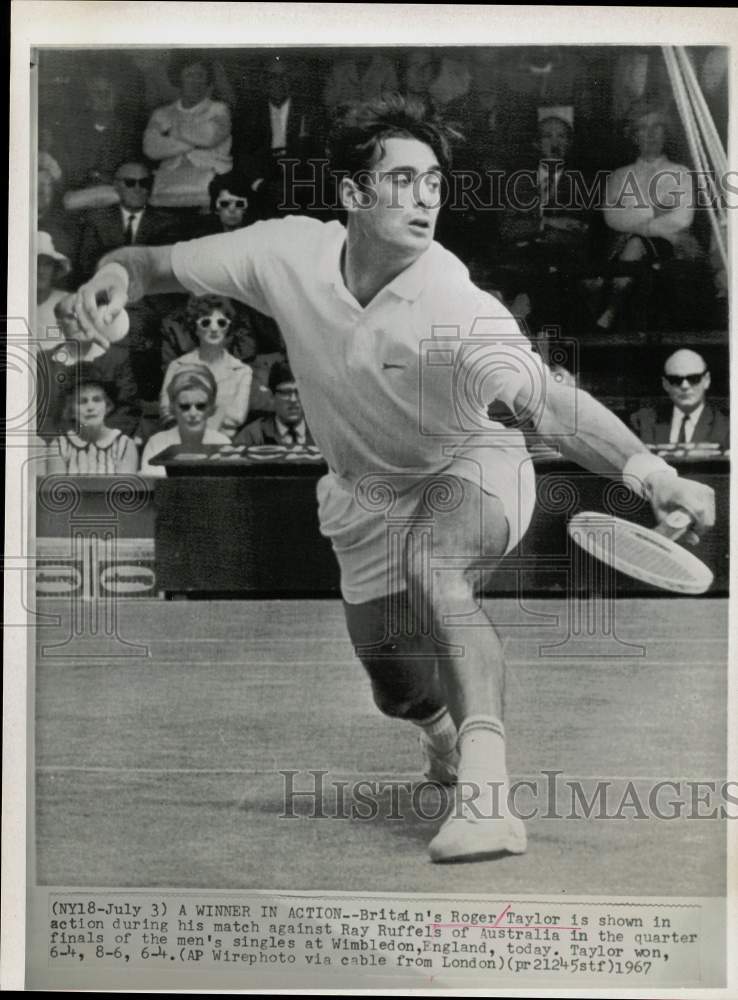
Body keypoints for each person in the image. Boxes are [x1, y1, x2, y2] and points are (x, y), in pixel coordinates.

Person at [72, 95, 715, 864]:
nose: (426, 199)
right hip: (362, 492)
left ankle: (488, 798)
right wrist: (108, 281)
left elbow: (551, 405)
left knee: (436, 568)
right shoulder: (285, 253)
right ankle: (442, 740)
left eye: (435, 184)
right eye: (404, 180)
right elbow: (149, 266)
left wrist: (651, 471)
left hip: (469, 462)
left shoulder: (456, 305)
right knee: (397, 689)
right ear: (352, 193)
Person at [597, 103, 701, 330]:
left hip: (672, 249)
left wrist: (637, 215)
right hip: (645, 243)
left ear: (665, 133)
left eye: (657, 127)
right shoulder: (619, 175)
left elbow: (682, 219)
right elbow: (613, 218)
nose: (651, 134)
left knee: (635, 243)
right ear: (633, 136)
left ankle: (611, 309)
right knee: (634, 245)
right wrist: (657, 211)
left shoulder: (680, 172)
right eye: (643, 128)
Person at [37, 292, 141, 440]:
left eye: (86, 315)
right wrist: (68, 443)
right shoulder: (43, 362)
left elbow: (128, 411)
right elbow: (40, 415)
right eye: (72, 317)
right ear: (59, 325)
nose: (81, 322)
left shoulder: (117, 359)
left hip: (107, 447)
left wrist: (100, 439)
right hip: (57, 448)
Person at [143, 52, 232, 210]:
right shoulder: (162, 113)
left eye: (200, 75)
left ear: (207, 80)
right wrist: (195, 141)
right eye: (189, 75)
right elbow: (151, 149)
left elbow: (209, 137)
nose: (195, 81)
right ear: (179, 79)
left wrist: (173, 132)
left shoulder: (219, 110)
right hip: (170, 185)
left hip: (214, 181)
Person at [159, 294, 252, 437]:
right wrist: (220, 412)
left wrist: (187, 414)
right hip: (181, 443)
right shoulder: (177, 366)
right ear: (195, 328)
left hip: (225, 447)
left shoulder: (242, 371)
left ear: (228, 328)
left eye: (221, 322)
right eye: (205, 322)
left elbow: (237, 416)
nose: (214, 328)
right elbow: (166, 412)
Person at [77, 161, 179, 281]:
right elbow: (86, 267)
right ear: (116, 186)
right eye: (130, 183)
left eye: (144, 183)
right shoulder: (98, 220)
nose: (138, 189)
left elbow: (166, 270)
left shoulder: (167, 222)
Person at [630, 349, 730, 450]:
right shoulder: (643, 422)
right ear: (665, 384)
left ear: (707, 380)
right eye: (676, 380)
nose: (685, 386)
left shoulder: (727, 426)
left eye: (693, 378)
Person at [140, 366, 230, 476]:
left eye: (200, 406)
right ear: (173, 409)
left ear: (211, 409)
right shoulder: (157, 444)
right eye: (184, 406)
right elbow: (155, 488)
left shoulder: (222, 443)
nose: (193, 413)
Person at [46, 371, 139, 475]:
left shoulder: (124, 445)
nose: (90, 407)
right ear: (71, 410)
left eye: (97, 400)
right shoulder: (60, 446)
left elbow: (126, 489)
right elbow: (56, 489)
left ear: (108, 406)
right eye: (82, 401)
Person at [235, 360, 315, 447]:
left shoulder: (322, 433)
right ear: (272, 396)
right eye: (285, 392)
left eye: (299, 392)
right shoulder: (252, 436)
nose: (293, 399)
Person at [35, 231, 71, 344]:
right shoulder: (15, 302)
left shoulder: (66, 302)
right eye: (36, 263)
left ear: (55, 269)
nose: (41, 271)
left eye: (47, 264)